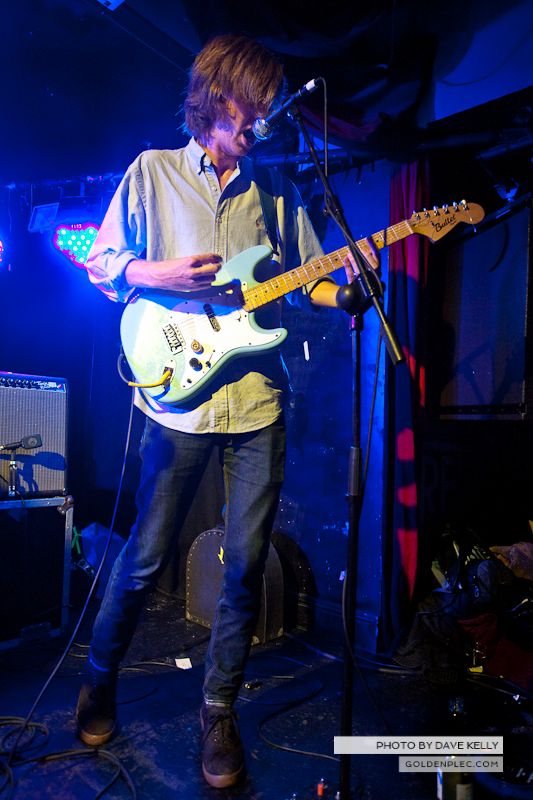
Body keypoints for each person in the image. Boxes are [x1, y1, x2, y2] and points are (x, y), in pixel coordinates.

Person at [77, 33, 368, 789]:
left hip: (257, 404)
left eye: (270, 102)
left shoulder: (275, 190)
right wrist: (153, 269)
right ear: (215, 95)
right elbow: (100, 263)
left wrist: (350, 289)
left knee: (243, 569)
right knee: (144, 561)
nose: (264, 113)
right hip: (176, 402)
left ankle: (218, 712)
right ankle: (100, 677)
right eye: (254, 98)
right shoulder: (153, 173)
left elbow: (307, 280)